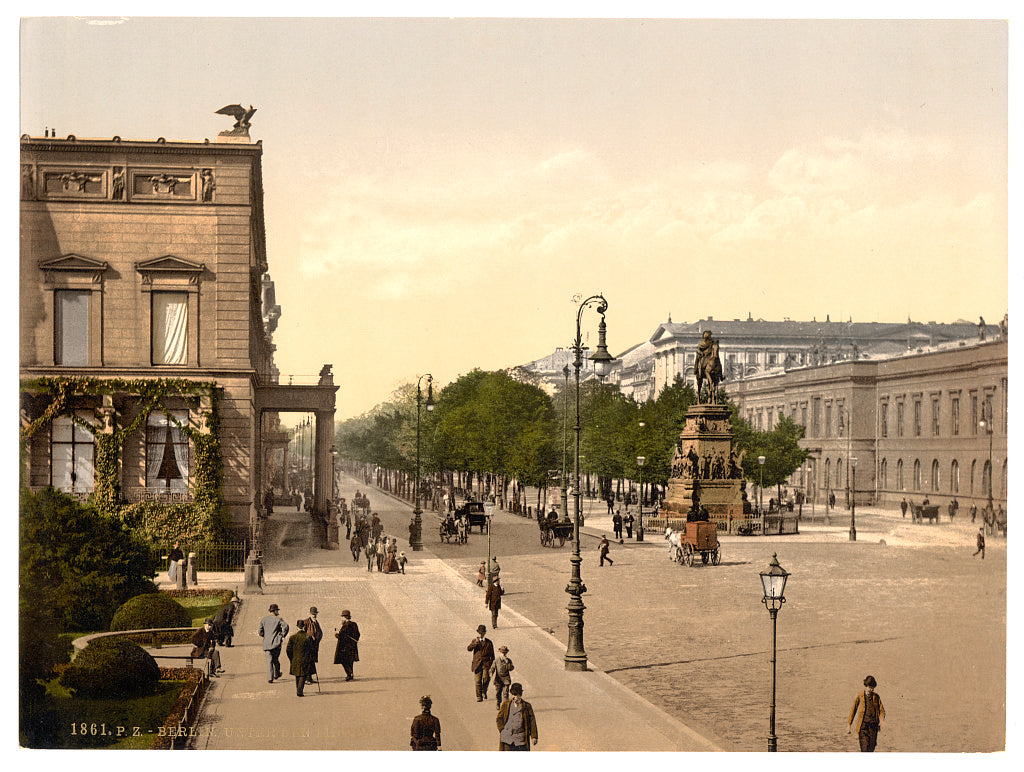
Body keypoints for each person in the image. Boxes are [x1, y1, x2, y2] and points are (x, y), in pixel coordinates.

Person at [847, 675, 885, 752]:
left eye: (872, 688)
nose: (871, 689)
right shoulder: (859, 696)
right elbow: (853, 710)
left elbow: (882, 711)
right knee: (864, 749)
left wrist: (881, 721)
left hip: (873, 727)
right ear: (866, 686)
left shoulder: (876, 697)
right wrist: (849, 724)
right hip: (863, 727)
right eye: (870, 687)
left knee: (871, 748)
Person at [496, 682, 538, 750]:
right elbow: (499, 718)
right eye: (514, 694)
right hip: (507, 738)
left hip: (520, 740)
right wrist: (502, 730)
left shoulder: (527, 706)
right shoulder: (506, 704)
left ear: (521, 695)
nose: (516, 697)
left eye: (518, 695)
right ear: (512, 694)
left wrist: (534, 736)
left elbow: (532, 721)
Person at [258, 603, 289, 683]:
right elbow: (286, 626)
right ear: (275, 611)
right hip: (276, 643)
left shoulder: (264, 620)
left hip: (267, 643)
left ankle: (270, 678)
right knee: (275, 659)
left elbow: (260, 631)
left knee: (269, 661)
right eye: (277, 610)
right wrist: (282, 635)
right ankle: (276, 674)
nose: (278, 612)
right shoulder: (278, 619)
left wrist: (265, 636)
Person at [285, 619, 314, 697]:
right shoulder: (308, 637)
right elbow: (312, 649)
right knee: (303, 675)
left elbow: (288, 650)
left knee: (297, 674)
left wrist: (291, 658)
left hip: (295, 659)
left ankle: (298, 689)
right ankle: (299, 691)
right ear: (304, 627)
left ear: (297, 627)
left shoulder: (293, 637)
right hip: (305, 658)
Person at [468, 624, 495, 701]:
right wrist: (474, 643)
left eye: (482, 632)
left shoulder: (489, 642)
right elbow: (469, 648)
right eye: (479, 632)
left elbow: (492, 655)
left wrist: (492, 665)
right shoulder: (474, 641)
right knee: (477, 681)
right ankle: (479, 696)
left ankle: (484, 691)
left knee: (486, 679)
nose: (481, 634)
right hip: (477, 664)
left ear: (484, 633)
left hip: (486, 664)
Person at [333, 609, 360, 680]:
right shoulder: (354, 624)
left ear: (345, 617)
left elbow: (342, 636)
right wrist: (354, 642)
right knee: (350, 661)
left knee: (344, 661)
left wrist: (336, 635)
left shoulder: (346, 625)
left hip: (345, 648)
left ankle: (349, 674)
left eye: (342, 617)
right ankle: (350, 674)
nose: (341, 619)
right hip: (352, 647)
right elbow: (358, 634)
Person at [304, 606, 323, 685]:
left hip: (315, 645)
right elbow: (303, 632)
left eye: (315, 614)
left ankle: (310, 678)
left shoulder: (316, 622)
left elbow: (320, 632)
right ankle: (307, 679)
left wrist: (317, 639)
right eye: (312, 614)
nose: (314, 615)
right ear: (310, 614)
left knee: (312, 661)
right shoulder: (306, 621)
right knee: (308, 661)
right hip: (308, 645)